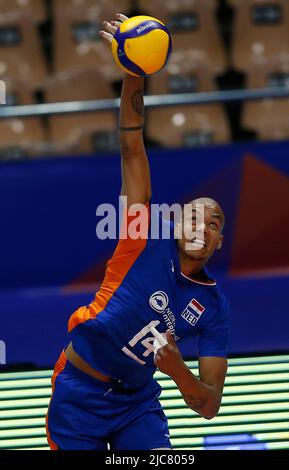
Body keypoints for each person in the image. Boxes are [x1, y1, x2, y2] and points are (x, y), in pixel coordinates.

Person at [46, 13, 231, 451]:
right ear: (174, 221)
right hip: (78, 392)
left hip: (138, 405)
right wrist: (134, 76)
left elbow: (209, 405)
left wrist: (177, 370)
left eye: (214, 222)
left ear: (220, 241)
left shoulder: (215, 309)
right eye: (193, 216)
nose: (202, 225)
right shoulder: (142, 236)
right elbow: (131, 147)